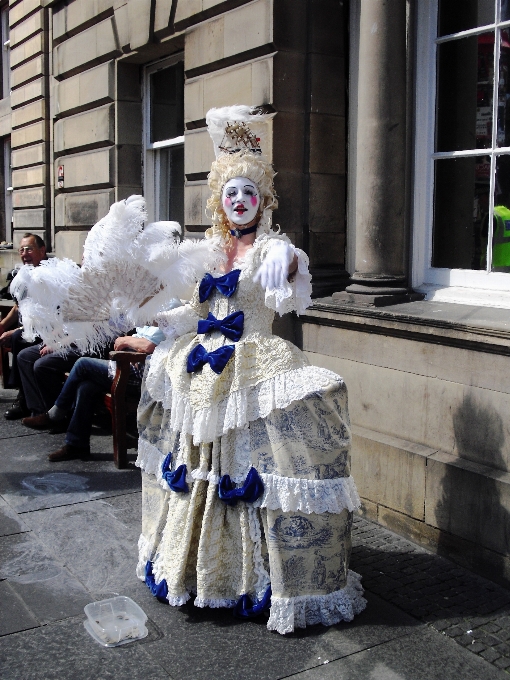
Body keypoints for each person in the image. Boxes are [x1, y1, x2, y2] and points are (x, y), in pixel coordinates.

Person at [134, 107, 366, 635]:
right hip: (200, 371)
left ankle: (260, 580)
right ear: (220, 201)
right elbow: (193, 311)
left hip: (251, 370)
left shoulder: (269, 246)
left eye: (249, 193)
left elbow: (287, 273)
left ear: (263, 202)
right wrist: (153, 327)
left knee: (251, 472)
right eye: (231, 193)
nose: (239, 201)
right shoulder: (211, 252)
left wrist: (285, 252)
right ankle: (201, 571)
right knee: (199, 470)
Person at [21, 325, 170, 461]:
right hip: (124, 364)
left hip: (139, 375)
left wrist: (126, 340)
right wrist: (129, 341)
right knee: (86, 387)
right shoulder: (150, 312)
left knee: (82, 364)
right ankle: (76, 445)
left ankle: (55, 415)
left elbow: (149, 345)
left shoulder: (168, 308)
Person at [1, 233, 48, 419]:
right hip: (28, 328)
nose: (24, 253)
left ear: (42, 250)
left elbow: (46, 315)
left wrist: (15, 330)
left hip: (50, 330)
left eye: (29, 249)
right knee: (14, 336)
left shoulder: (48, 274)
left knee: (17, 339)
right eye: (21, 250)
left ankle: (23, 399)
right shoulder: (25, 273)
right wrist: (3, 324)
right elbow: (18, 306)